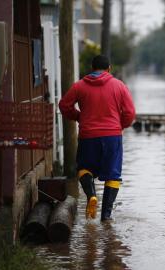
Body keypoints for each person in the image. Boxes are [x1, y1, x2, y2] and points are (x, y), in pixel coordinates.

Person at [59, 55, 135, 221]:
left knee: (84, 168)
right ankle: (106, 216)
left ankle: (92, 195)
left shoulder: (79, 86)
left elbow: (64, 105)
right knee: (113, 175)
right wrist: (119, 125)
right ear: (109, 68)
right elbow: (130, 113)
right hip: (112, 137)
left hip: (88, 136)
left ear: (92, 68)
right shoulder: (119, 86)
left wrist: (78, 117)